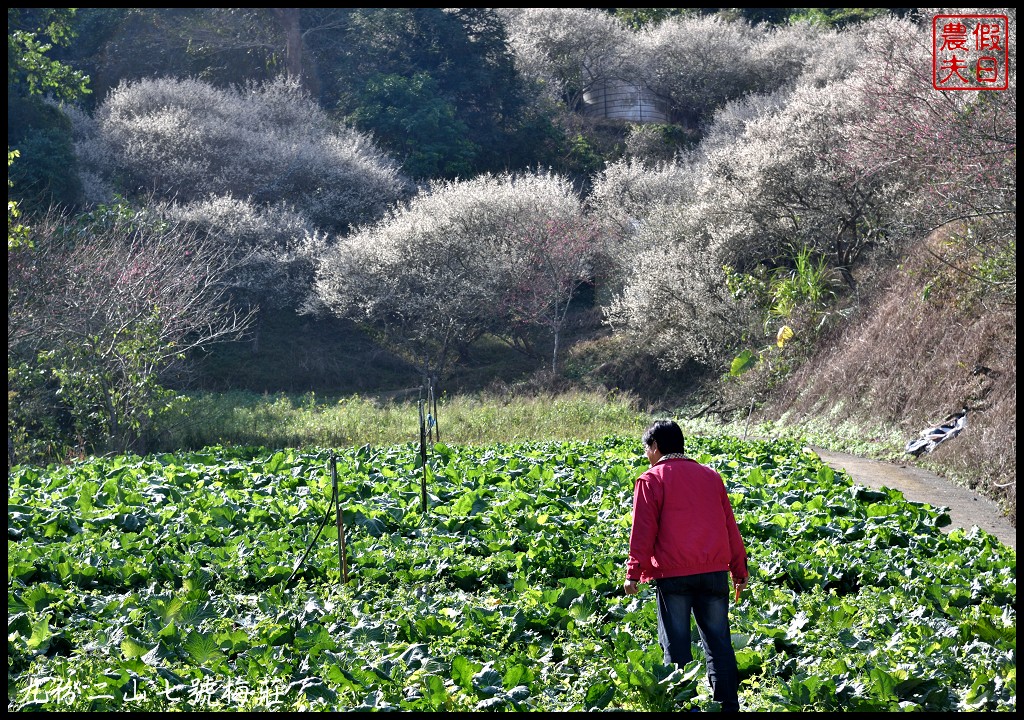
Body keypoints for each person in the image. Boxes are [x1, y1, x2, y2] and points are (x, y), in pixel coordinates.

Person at [623, 419, 749, 712]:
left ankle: (683, 708)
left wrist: (633, 572)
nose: (646, 455)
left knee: (677, 648)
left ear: (655, 447)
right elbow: (730, 525)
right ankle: (727, 706)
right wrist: (739, 570)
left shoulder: (651, 480)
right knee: (719, 645)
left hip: (674, 577)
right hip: (714, 574)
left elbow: (643, 531)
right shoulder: (710, 476)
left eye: (646, 449)